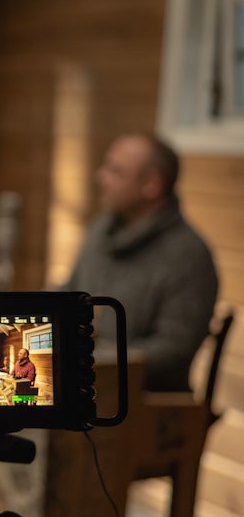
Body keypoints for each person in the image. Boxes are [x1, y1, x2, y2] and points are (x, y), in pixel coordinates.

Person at [64, 132, 218, 391]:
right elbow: (69, 291)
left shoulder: (189, 256)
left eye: (115, 171)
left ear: (151, 185)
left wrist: (93, 360)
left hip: (141, 400)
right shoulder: (100, 230)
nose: (101, 177)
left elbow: (174, 350)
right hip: (83, 388)